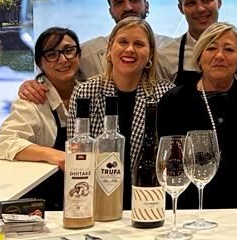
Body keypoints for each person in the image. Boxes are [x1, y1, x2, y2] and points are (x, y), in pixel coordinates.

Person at [157, 22, 237, 208]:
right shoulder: (174, 102)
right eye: (211, 48)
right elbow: (169, 166)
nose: (219, 56)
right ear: (199, 57)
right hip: (189, 210)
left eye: (229, 49)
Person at [69, 18, 173, 211]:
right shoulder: (84, 93)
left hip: (149, 203)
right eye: (123, 42)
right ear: (110, 49)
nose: (130, 49)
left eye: (139, 44)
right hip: (96, 203)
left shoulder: (166, 95)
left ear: (150, 54)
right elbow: (76, 158)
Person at [17, 0, 164, 104]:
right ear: (111, 11)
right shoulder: (86, 52)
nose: (128, 7)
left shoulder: (171, 48)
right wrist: (31, 86)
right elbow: (54, 78)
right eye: (119, 2)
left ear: (146, 5)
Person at [0, 27, 80, 209]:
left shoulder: (92, 93)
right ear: (40, 63)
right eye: (52, 54)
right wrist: (53, 155)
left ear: (79, 54)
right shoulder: (33, 100)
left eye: (69, 50)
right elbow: (3, 142)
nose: (63, 59)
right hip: (46, 205)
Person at [157, 0, 237, 87]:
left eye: (206, 0)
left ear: (219, 2)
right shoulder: (166, 55)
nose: (200, 9)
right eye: (191, 3)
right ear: (181, 8)